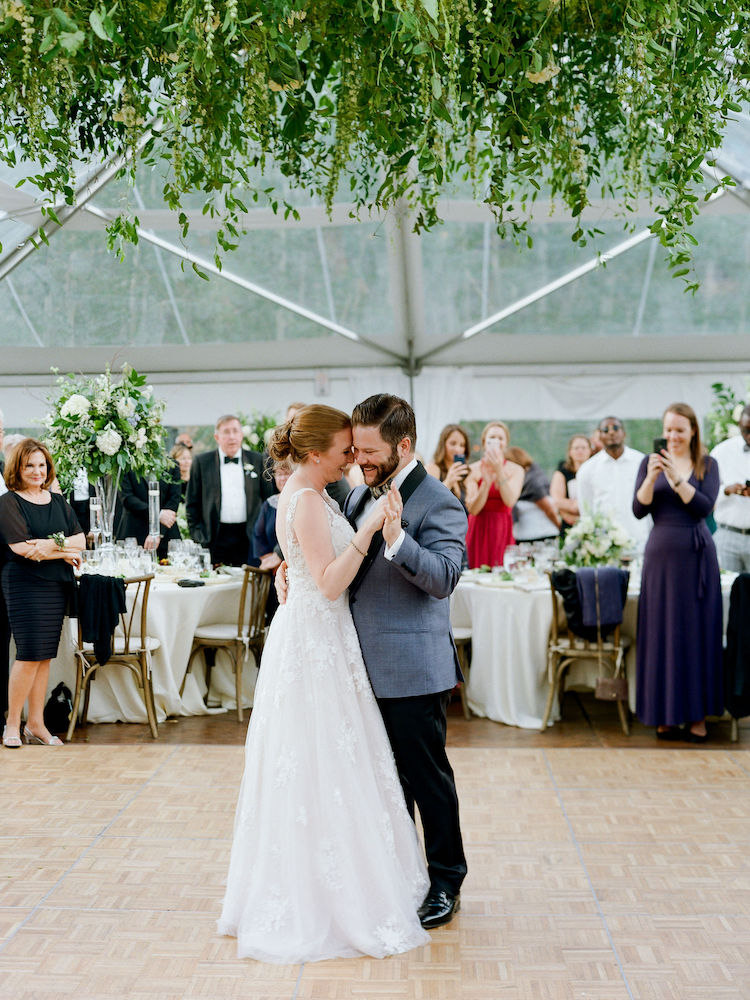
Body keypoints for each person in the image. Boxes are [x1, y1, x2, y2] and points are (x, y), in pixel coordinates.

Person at [218, 405, 430, 962]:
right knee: (318, 762)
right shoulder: (309, 501)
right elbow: (331, 584)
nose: (352, 458)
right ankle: (322, 898)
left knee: (332, 760)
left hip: (321, 639)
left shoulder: (311, 495)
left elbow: (306, 565)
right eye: (343, 451)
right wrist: (363, 535)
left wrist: (296, 563)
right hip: (315, 641)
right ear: (316, 456)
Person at [343, 394, 467, 929]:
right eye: (356, 450)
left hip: (413, 667)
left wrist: (397, 540)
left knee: (426, 777)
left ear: (405, 445)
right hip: (355, 666)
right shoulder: (355, 497)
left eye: (370, 451)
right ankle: (397, 874)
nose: (360, 460)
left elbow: (443, 578)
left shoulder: (440, 503)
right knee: (381, 780)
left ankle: (446, 879)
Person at [633, 403, 723, 743]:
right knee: (662, 634)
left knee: (696, 634)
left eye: (679, 430)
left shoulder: (708, 464)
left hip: (697, 556)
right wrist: (655, 476)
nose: (672, 437)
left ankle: (697, 716)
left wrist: (676, 478)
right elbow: (639, 509)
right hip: (660, 559)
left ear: (693, 432)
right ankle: (664, 714)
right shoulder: (648, 462)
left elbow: (703, 507)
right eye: (668, 430)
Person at [0, 439, 85, 748]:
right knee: (28, 654)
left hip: (54, 583)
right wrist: (63, 552)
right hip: (24, 583)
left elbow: (81, 541)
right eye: (29, 466)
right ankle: (13, 723)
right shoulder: (8, 502)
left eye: (42, 465)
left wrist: (49, 547)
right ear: (17, 469)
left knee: (45, 655)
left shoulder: (58, 501)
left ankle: (36, 723)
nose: (37, 471)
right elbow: (21, 548)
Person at [186, 414, 274, 566]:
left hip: (249, 537)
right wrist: (200, 537)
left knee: (248, 586)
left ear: (241, 435)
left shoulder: (258, 460)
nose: (231, 436)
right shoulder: (202, 462)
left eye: (235, 431)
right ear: (217, 437)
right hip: (215, 537)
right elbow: (192, 504)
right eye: (226, 432)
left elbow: (268, 499)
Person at [576, 416, 649, 550]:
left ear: (624, 433)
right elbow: (585, 509)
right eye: (605, 429)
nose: (611, 432)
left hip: (639, 540)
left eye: (615, 428)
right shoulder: (588, 469)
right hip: (605, 546)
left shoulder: (641, 462)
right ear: (599, 436)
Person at [464, 421, 524, 568]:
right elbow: (473, 509)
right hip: (478, 528)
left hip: (502, 529)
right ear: (484, 442)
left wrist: (499, 470)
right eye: (492, 438)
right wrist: (486, 483)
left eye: (500, 438)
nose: (496, 441)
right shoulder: (472, 470)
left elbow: (510, 501)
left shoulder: (516, 470)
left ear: (506, 443)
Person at [710, 405, 750, 571]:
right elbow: (706, 495)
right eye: (746, 430)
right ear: (739, 423)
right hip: (728, 535)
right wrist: (727, 491)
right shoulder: (721, 452)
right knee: (727, 591)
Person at [117, 465, 182, 560]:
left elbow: (173, 502)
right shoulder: (126, 465)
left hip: (166, 536)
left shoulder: (172, 466)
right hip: (134, 534)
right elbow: (127, 498)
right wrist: (157, 514)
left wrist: (157, 532)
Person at [505, 446, 560, 542]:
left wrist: (560, 528)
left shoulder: (532, 482)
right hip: (521, 536)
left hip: (541, 536)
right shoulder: (514, 481)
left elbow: (548, 510)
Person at [426, 423, 476, 508]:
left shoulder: (465, 473)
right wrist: (449, 481)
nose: (458, 449)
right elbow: (427, 501)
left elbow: (471, 508)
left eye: (462, 445)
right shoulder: (433, 468)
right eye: (453, 443)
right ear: (443, 444)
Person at [550, 434, 592, 532]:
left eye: (583, 448)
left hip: (593, 524)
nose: (580, 451)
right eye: (576, 448)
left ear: (590, 450)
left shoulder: (596, 471)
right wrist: (574, 507)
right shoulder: (562, 472)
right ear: (570, 451)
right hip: (569, 526)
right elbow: (557, 500)